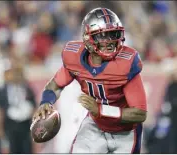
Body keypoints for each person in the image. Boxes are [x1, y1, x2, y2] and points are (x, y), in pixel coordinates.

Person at [33, 8, 147, 153]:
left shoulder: (126, 63)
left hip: (125, 131)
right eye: (103, 36)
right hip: (95, 125)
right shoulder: (74, 57)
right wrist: (46, 102)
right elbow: (55, 85)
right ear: (87, 38)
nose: (110, 41)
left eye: (113, 34)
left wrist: (101, 110)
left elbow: (139, 113)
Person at [0, 65, 36, 154]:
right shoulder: (2, 91)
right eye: (14, 74)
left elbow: (33, 109)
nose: (16, 76)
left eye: (19, 74)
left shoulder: (27, 89)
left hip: (25, 125)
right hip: (10, 125)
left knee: (27, 150)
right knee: (13, 150)